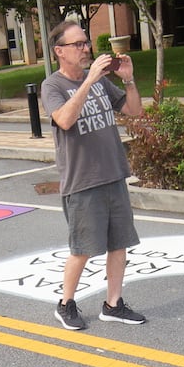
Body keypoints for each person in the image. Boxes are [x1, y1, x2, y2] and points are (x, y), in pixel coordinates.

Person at [40, 21, 148, 331]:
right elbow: (63, 119)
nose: (86, 48)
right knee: (83, 248)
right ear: (60, 51)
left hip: (113, 173)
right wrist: (87, 82)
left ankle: (113, 304)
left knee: (119, 243)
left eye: (86, 43)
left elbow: (134, 111)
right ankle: (66, 304)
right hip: (83, 181)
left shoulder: (101, 82)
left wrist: (128, 81)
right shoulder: (53, 86)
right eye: (78, 44)